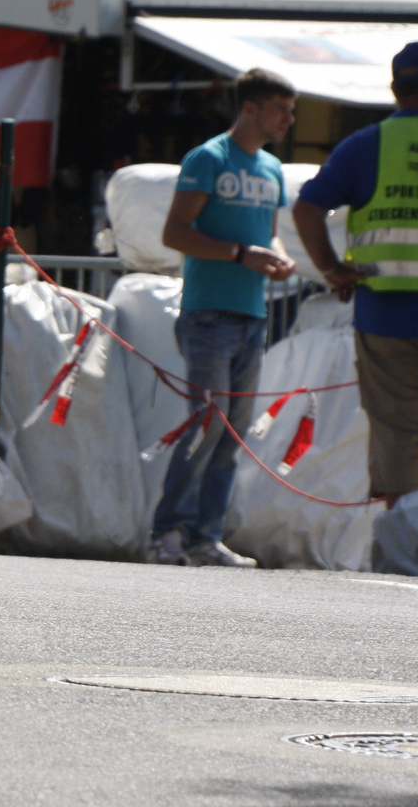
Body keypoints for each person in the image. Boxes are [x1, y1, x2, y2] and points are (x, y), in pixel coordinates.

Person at [293, 42, 418, 508]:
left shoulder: (364, 146)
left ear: (394, 89)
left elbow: (307, 209)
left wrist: (333, 270)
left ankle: (404, 549)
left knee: (396, 433)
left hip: (385, 317)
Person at [153, 69, 298, 569]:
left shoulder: (273, 169)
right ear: (251, 108)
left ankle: (205, 537)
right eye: (282, 108)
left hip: (253, 315)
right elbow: (174, 233)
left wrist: (278, 258)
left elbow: (268, 234)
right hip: (209, 315)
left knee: (232, 432)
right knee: (205, 426)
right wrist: (241, 254)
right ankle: (167, 533)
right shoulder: (209, 157)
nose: (290, 118)